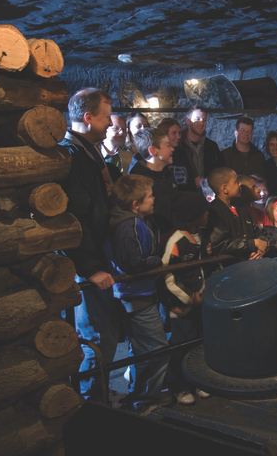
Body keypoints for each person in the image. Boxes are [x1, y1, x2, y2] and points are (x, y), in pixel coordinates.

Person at [57, 88, 119, 400]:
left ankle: (98, 403)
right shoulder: (74, 156)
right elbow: (76, 215)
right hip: (84, 265)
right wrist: (91, 267)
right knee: (98, 338)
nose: (110, 123)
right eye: (107, 117)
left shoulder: (89, 152)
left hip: (95, 256)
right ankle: (89, 410)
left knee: (105, 337)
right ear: (88, 117)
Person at [104, 174, 169, 412]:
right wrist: (156, 262)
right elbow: (133, 262)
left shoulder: (132, 222)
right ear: (135, 204)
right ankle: (146, 399)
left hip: (139, 294)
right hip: (137, 296)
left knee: (144, 349)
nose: (153, 200)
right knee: (158, 349)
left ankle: (141, 395)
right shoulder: (128, 226)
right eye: (150, 196)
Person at [159, 192, 217, 405]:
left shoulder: (203, 237)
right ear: (191, 215)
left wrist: (205, 293)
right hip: (181, 308)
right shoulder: (177, 241)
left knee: (200, 343)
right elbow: (167, 276)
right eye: (203, 212)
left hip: (201, 302)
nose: (206, 215)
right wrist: (186, 298)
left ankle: (198, 380)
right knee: (181, 347)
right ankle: (179, 386)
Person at [204, 167, 268, 261]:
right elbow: (220, 244)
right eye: (236, 181)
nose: (240, 184)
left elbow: (257, 232)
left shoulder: (241, 207)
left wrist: (260, 248)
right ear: (225, 189)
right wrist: (252, 244)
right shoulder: (214, 212)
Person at [129, 127, 177, 241]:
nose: (172, 149)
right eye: (167, 145)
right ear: (153, 151)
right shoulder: (139, 179)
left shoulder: (167, 172)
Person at [179, 107, 224, 194]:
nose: (202, 123)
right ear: (188, 121)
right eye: (197, 119)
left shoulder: (212, 146)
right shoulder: (178, 146)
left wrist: (206, 181)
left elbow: (220, 172)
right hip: (185, 197)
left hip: (207, 197)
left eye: (204, 120)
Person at [157, 117, 193, 192]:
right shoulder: (159, 156)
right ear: (164, 134)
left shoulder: (184, 152)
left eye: (179, 133)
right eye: (174, 133)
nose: (178, 136)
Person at [99, 114, 131, 181]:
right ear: (105, 129)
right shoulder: (95, 155)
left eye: (124, 129)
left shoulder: (130, 157)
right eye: (116, 128)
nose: (121, 132)